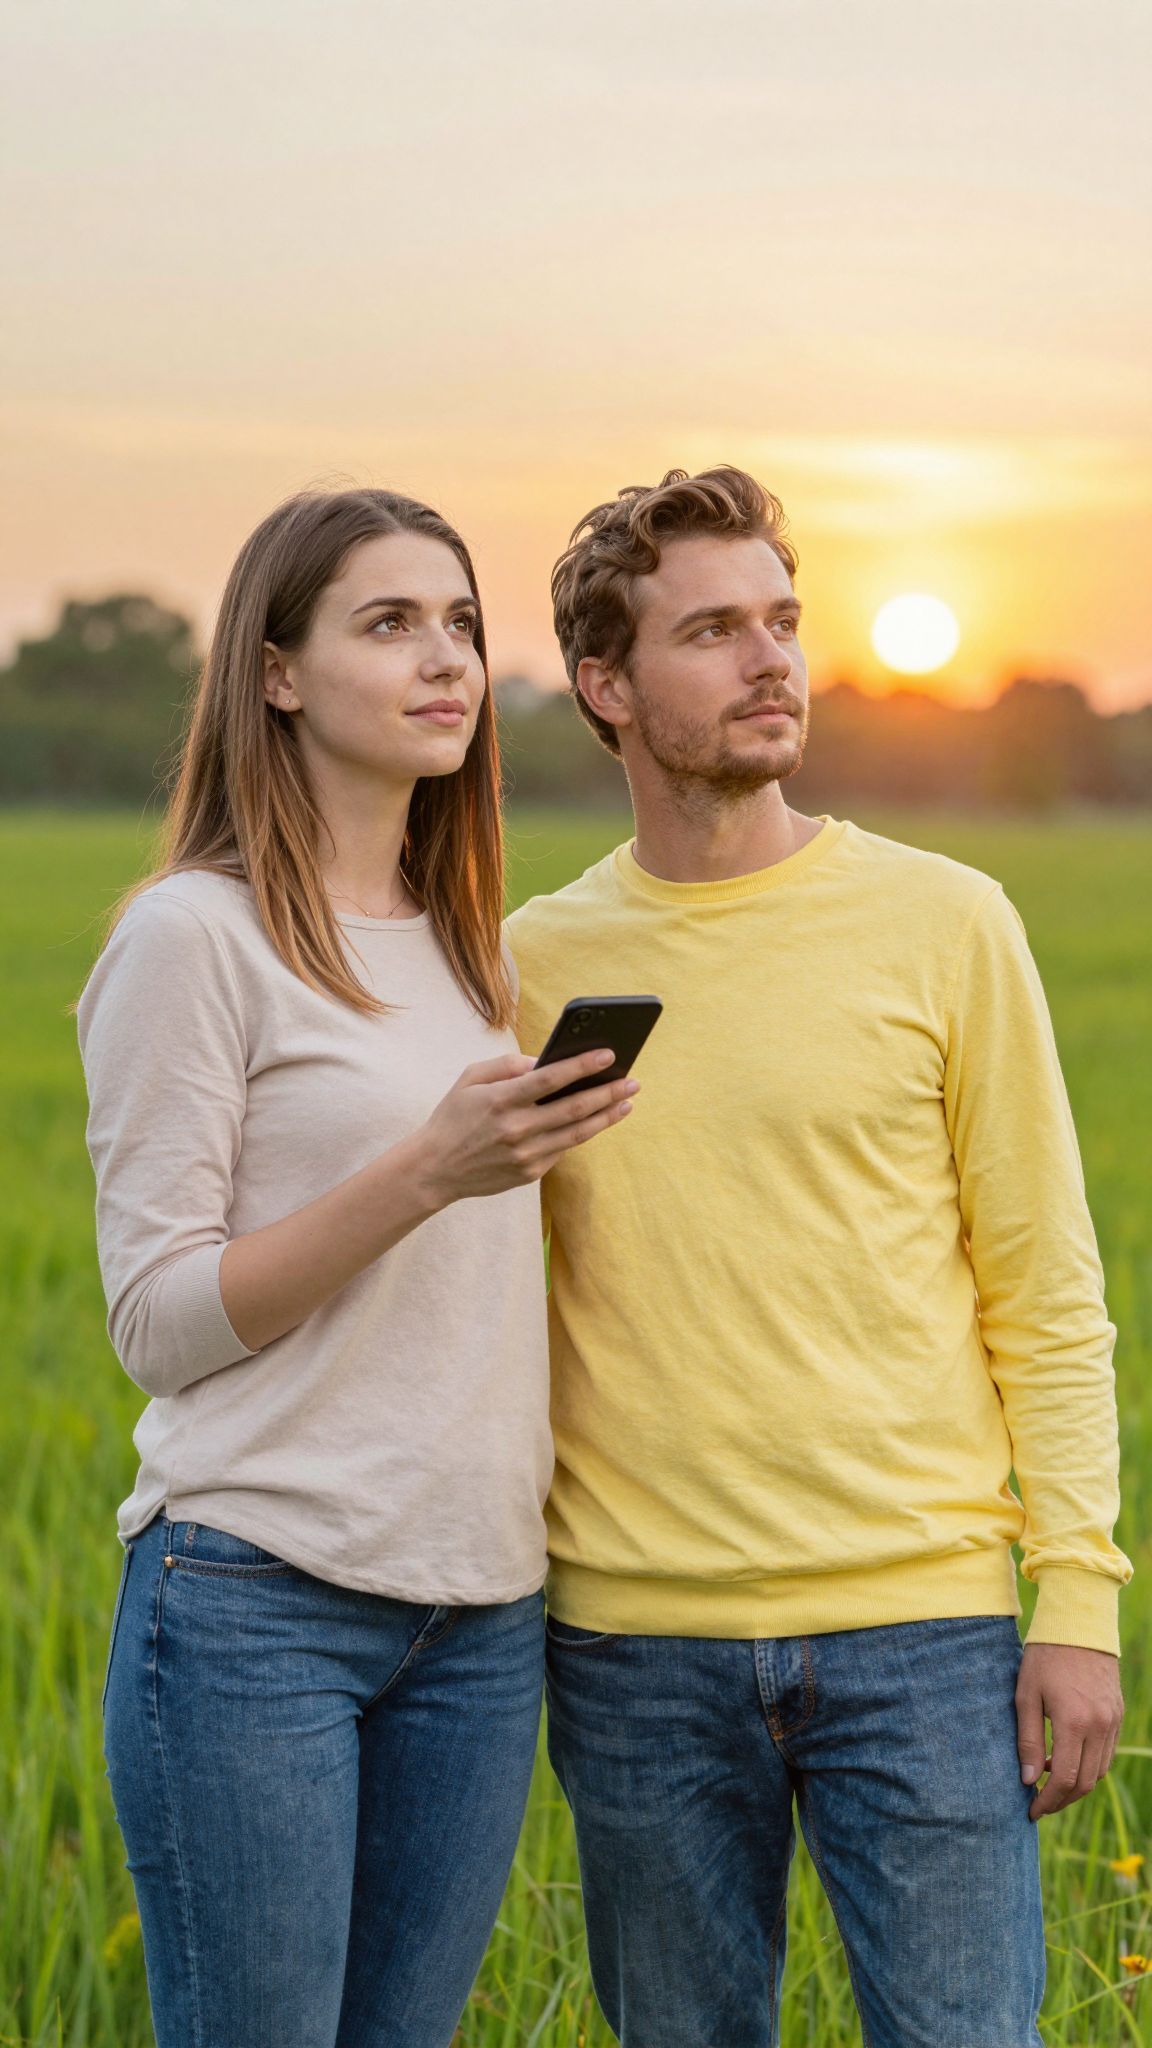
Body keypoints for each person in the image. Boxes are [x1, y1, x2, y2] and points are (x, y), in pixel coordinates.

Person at [506, 465, 1130, 2048]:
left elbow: (1044, 1290)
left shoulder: (947, 922)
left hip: (923, 1634)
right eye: (712, 630)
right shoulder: (527, 968)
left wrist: (1076, 1600)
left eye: (781, 621)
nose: (771, 659)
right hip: (634, 1646)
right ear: (607, 686)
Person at [77, 486, 638, 2048]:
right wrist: (424, 1173)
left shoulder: (478, 952)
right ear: (274, 672)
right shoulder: (196, 938)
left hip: (480, 1612)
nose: (444, 658)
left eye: (459, 622)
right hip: (258, 1603)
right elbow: (156, 1321)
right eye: (389, 622)